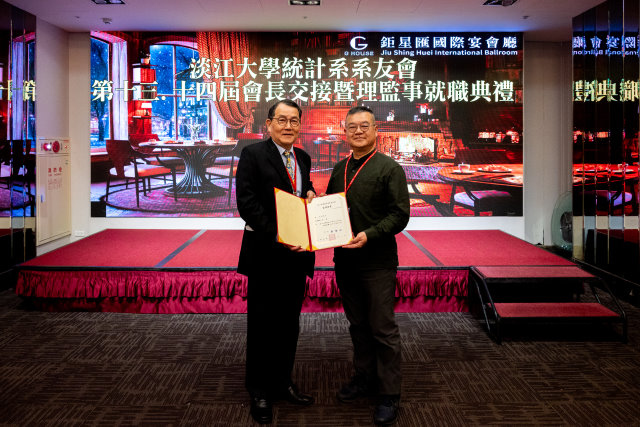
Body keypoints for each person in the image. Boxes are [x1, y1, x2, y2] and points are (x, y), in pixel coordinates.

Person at [326, 106, 410, 426]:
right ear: (345, 132)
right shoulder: (339, 168)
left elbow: (399, 215)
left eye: (364, 126)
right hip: (345, 260)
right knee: (358, 325)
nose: (358, 131)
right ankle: (364, 378)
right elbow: (330, 209)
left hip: (377, 262)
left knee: (382, 328)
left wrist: (369, 235)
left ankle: (389, 393)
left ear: (376, 130)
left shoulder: (390, 168)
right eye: (352, 127)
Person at [236, 99, 316, 424]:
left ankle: (283, 382)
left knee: (288, 324)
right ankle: (259, 390)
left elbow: (303, 190)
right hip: (266, 254)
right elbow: (247, 204)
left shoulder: (303, 158)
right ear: (268, 124)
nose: (288, 126)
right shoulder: (252, 155)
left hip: (296, 257)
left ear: (300, 125)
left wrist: (311, 194)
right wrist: (281, 235)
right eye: (281, 120)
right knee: (262, 325)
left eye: (294, 120)